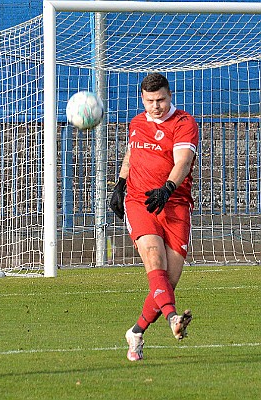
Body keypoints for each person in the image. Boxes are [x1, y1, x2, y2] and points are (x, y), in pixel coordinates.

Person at [110, 72, 199, 361]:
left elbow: (183, 161)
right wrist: (120, 185)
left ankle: (136, 332)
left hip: (175, 205)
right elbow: (131, 155)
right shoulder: (136, 123)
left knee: (167, 283)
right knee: (154, 261)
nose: (155, 106)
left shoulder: (184, 123)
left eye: (160, 100)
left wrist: (168, 188)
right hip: (140, 202)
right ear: (142, 99)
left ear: (169, 96)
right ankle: (174, 319)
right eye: (149, 101)